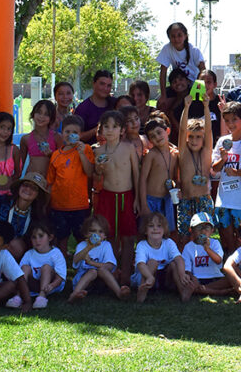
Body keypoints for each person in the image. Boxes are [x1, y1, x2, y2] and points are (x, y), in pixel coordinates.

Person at [92, 110, 140, 286]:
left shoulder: (128, 148)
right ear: (101, 130)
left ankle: (126, 274)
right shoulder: (98, 151)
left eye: (114, 126)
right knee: (109, 235)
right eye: (106, 126)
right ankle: (111, 274)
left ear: (122, 130)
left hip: (126, 196)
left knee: (128, 237)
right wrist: (98, 170)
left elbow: (136, 174)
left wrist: (137, 199)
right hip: (107, 197)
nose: (110, 130)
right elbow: (96, 179)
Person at [211, 102, 241, 254]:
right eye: (227, 121)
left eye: (234, 120)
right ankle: (229, 259)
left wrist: (237, 172)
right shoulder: (222, 141)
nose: (230, 124)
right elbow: (214, 169)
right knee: (225, 235)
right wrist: (222, 159)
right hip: (223, 197)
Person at [47, 115, 94, 249]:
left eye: (75, 132)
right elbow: (50, 181)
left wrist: (82, 153)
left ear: (80, 134)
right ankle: (62, 259)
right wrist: (48, 203)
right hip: (59, 205)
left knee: (81, 237)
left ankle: (82, 260)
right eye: (67, 131)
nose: (70, 135)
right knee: (61, 237)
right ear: (62, 133)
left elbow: (89, 172)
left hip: (79, 205)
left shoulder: (86, 149)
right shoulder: (56, 155)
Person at [176, 93, 215, 247]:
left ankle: (204, 260)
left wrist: (206, 107)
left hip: (203, 199)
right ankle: (185, 261)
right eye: (191, 137)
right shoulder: (184, 153)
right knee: (185, 237)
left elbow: (209, 130)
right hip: (186, 200)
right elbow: (181, 130)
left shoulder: (206, 152)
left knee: (204, 238)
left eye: (198, 137)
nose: (194, 140)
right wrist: (186, 107)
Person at [68, 214, 129, 302]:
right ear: (86, 233)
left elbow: (110, 266)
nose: (97, 234)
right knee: (92, 272)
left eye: (100, 231)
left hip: (101, 282)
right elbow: (75, 261)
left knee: (102, 270)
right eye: (93, 231)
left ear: (105, 235)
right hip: (84, 281)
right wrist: (88, 247)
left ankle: (119, 293)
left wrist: (91, 263)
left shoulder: (106, 245)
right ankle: (74, 294)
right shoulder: (82, 245)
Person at [131, 212, 189, 303]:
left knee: (174, 264)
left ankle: (183, 292)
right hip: (146, 276)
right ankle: (142, 293)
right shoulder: (142, 245)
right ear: (145, 230)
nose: (155, 228)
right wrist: (149, 277)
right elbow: (140, 264)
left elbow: (179, 258)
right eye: (151, 226)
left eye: (159, 226)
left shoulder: (169, 242)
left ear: (164, 229)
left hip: (163, 277)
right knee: (152, 262)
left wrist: (182, 274)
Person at [10, 220, 66, 309]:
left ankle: (42, 296)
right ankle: (19, 296)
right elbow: (19, 275)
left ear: (50, 237)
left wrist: (52, 285)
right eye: (34, 237)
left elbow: (60, 276)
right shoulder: (29, 254)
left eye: (41, 236)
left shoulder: (56, 253)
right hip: (33, 285)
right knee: (25, 267)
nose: (37, 240)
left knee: (46, 267)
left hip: (50, 285)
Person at [139, 115, 179, 233]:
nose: (157, 137)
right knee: (148, 230)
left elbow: (175, 177)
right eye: (152, 136)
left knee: (167, 231)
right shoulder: (151, 155)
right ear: (150, 140)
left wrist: (176, 188)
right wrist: (144, 204)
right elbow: (142, 179)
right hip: (150, 200)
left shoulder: (175, 154)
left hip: (167, 199)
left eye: (159, 132)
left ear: (167, 131)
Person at [181, 212, 231, 298]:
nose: (203, 231)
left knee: (229, 279)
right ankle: (217, 292)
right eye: (199, 228)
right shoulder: (188, 247)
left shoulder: (215, 243)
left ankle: (203, 289)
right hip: (198, 278)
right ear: (191, 230)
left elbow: (218, 260)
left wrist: (207, 249)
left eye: (206, 228)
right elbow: (187, 269)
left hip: (215, 277)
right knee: (187, 282)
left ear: (212, 230)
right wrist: (191, 278)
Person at [156, 22, 205, 109]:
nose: (176, 39)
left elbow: (203, 70)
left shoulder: (194, 50)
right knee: (162, 103)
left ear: (185, 36)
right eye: (173, 36)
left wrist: (196, 89)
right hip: (177, 84)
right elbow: (163, 73)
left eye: (179, 35)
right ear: (169, 38)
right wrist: (163, 95)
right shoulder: (167, 49)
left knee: (193, 106)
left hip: (192, 85)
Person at [19, 99, 60, 179]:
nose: (41, 117)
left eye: (46, 114)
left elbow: (62, 162)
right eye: (39, 112)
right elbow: (20, 165)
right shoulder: (25, 139)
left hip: (49, 181)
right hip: (31, 180)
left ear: (51, 118)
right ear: (33, 114)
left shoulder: (57, 137)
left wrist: (51, 155)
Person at [74, 70, 116, 144]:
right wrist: (99, 128)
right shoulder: (83, 108)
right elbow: (76, 136)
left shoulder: (115, 103)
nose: (105, 88)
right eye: (102, 84)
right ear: (94, 83)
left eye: (109, 85)